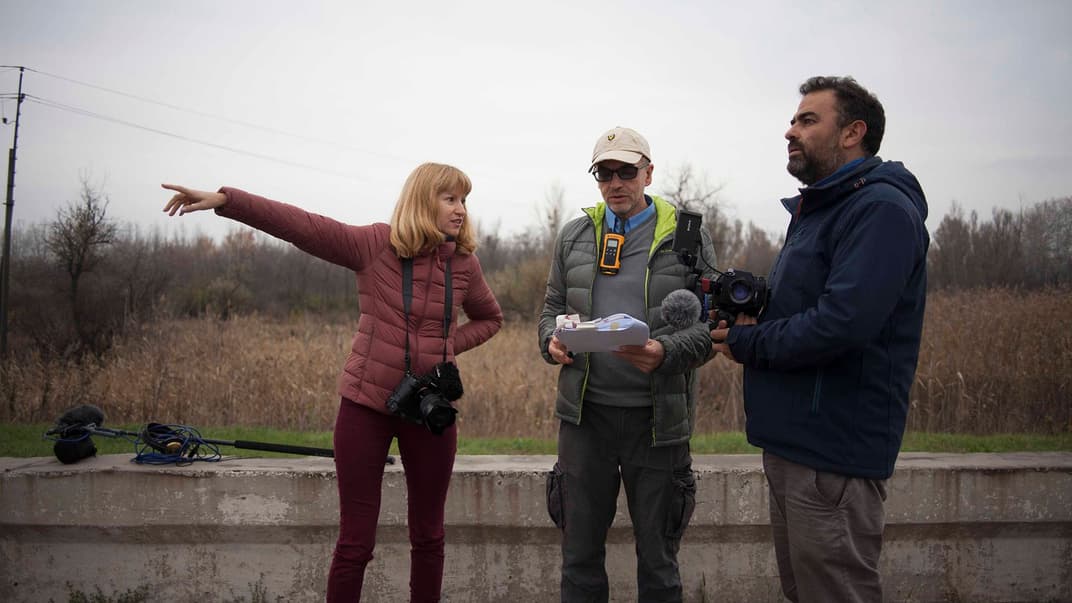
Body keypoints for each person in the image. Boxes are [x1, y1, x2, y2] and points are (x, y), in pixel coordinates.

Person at [161, 162, 503, 603]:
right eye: (450, 199)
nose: (460, 210)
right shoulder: (375, 245)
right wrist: (229, 201)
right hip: (365, 407)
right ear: (422, 201)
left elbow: (491, 318)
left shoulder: (464, 264)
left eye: (464, 200)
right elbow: (303, 226)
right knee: (355, 543)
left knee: (430, 537)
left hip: (429, 409)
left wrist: (444, 349)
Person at [711, 76, 929, 602]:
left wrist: (748, 343)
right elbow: (809, 305)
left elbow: (843, 323)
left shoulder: (879, 210)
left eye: (808, 120)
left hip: (833, 455)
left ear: (853, 132)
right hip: (795, 447)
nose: (791, 130)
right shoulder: (822, 210)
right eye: (793, 119)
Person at [538, 126, 718, 602]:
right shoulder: (574, 236)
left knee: (658, 562)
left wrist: (665, 353)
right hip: (585, 421)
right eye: (605, 172)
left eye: (626, 171)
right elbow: (551, 308)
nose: (615, 182)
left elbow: (711, 331)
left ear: (648, 173)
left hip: (657, 424)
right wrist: (551, 342)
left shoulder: (687, 237)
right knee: (578, 559)